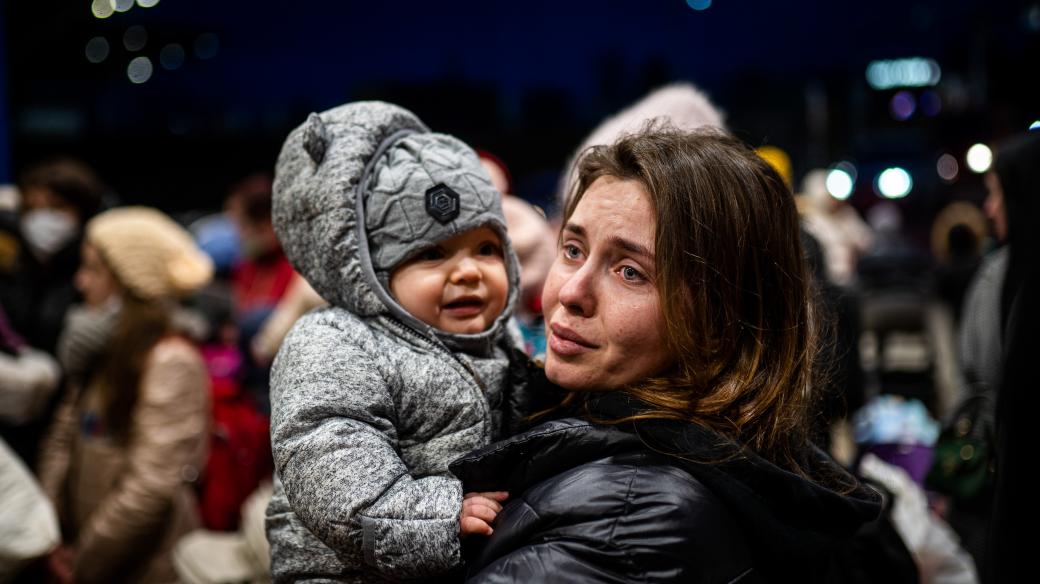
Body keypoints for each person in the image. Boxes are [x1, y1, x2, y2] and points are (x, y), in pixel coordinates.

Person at [450, 125, 882, 583]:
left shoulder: (635, 521)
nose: (570, 292)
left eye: (630, 272)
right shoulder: (596, 427)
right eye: (573, 249)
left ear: (720, 320)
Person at [266, 101, 537, 582]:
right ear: (375, 274)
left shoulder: (503, 336)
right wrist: (433, 514)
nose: (469, 271)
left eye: (487, 249)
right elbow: (329, 454)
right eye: (432, 253)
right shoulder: (336, 341)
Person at [36, 207, 214, 583]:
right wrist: (49, 535)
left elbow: (149, 489)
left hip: (140, 565)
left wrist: (83, 563)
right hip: (74, 545)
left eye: (94, 270)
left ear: (130, 284)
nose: (81, 283)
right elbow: (62, 440)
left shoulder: (170, 360)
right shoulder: (100, 348)